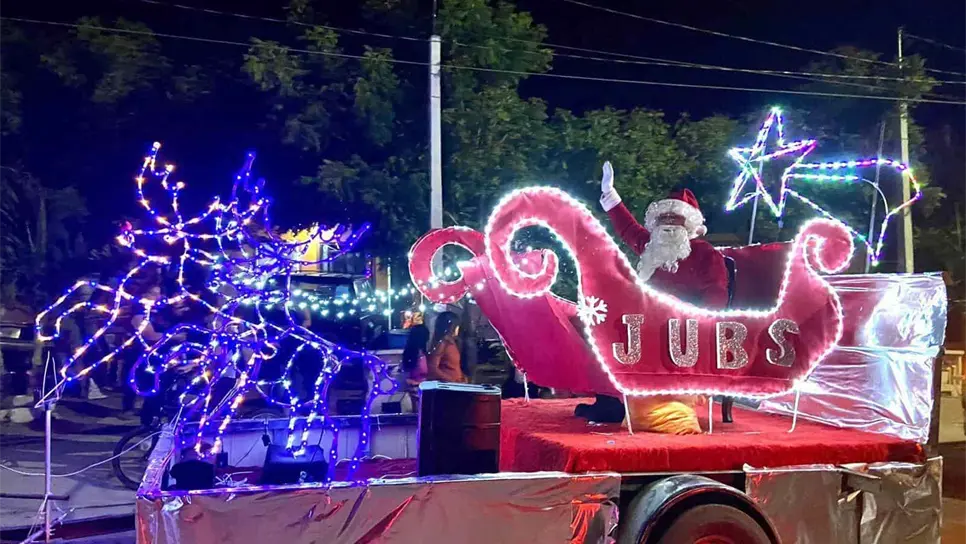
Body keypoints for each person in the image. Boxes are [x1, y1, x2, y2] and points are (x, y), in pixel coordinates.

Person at [575, 162, 729, 434]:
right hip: (642, 321)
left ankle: (640, 408)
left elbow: (716, 297)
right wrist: (610, 195)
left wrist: (697, 324)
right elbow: (627, 229)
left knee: (632, 339)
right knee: (598, 328)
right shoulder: (653, 248)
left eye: (676, 220)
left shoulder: (705, 254)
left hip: (681, 328)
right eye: (663, 220)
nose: (668, 226)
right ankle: (609, 399)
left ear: (690, 225)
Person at [426, 311, 467, 383]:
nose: (458, 328)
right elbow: (433, 368)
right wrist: (450, 380)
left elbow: (454, 366)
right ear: (451, 326)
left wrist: (462, 377)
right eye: (457, 326)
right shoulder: (443, 343)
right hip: (447, 387)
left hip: (456, 385)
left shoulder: (453, 343)